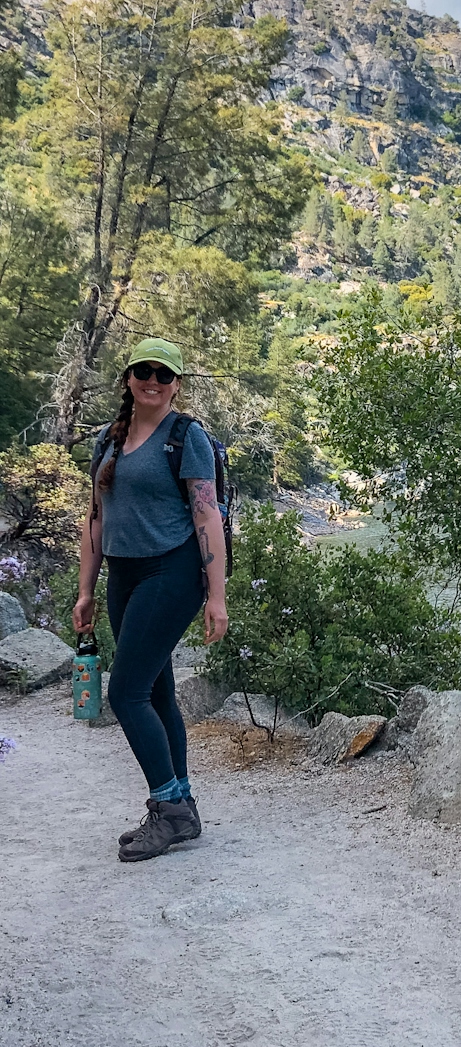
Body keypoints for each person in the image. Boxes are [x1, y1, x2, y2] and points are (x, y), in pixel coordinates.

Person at [72, 338, 229, 862]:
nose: (153, 381)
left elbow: (207, 517)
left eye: (164, 375)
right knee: (156, 690)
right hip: (124, 573)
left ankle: (168, 808)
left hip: (172, 570)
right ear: (129, 378)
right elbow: (95, 517)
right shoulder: (107, 441)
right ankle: (179, 801)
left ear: (177, 385)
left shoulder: (186, 438)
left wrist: (216, 596)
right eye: (144, 371)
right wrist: (86, 590)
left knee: (127, 693)